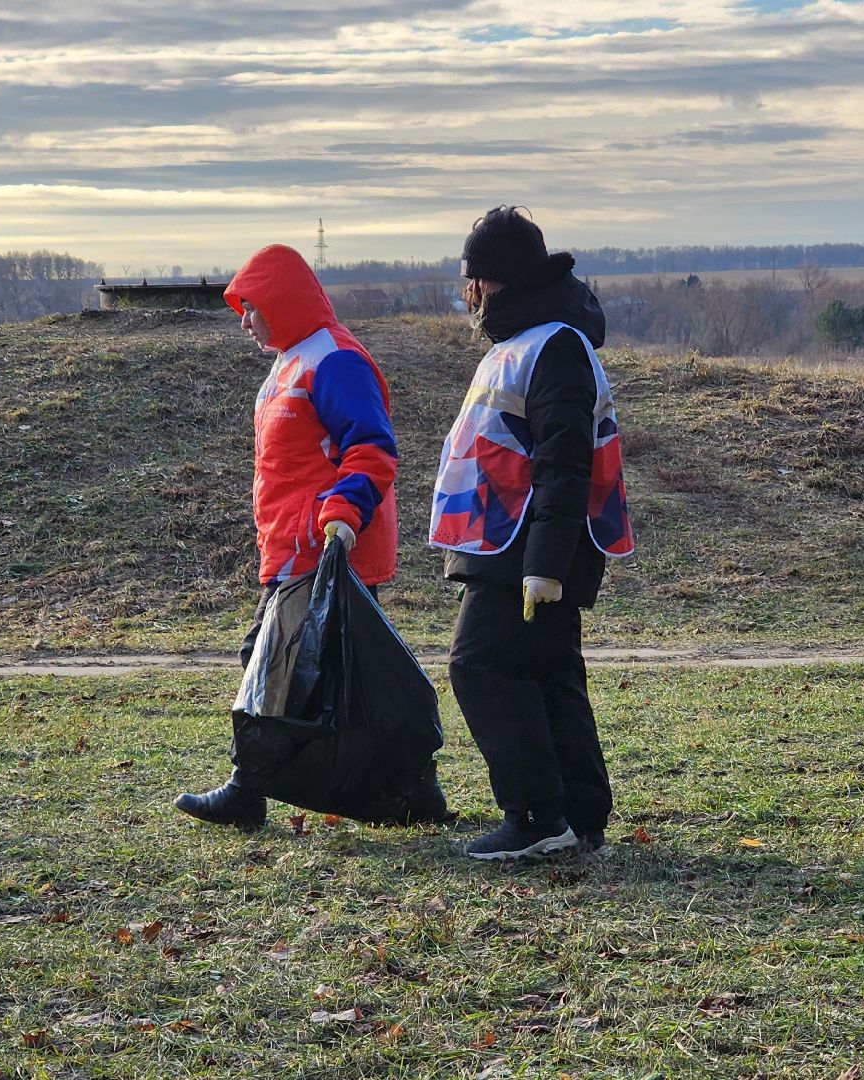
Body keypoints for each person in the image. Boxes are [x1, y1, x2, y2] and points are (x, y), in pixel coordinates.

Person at [175, 243, 444, 829]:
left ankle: (247, 792)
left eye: (251, 306)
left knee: (267, 662)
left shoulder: (336, 361)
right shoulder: (293, 360)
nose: (244, 321)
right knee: (354, 672)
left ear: (281, 299)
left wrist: (340, 518)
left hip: (324, 546)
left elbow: (372, 449)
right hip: (296, 546)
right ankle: (422, 796)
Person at [430, 207, 635, 860]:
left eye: (477, 280)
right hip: (511, 544)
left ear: (501, 281)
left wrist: (544, 564)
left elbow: (565, 460)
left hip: (529, 551)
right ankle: (578, 815)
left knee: (478, 665)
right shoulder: (523, 343)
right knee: (548, 673)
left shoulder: (554, 346)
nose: (470, 295)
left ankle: (535, 814)